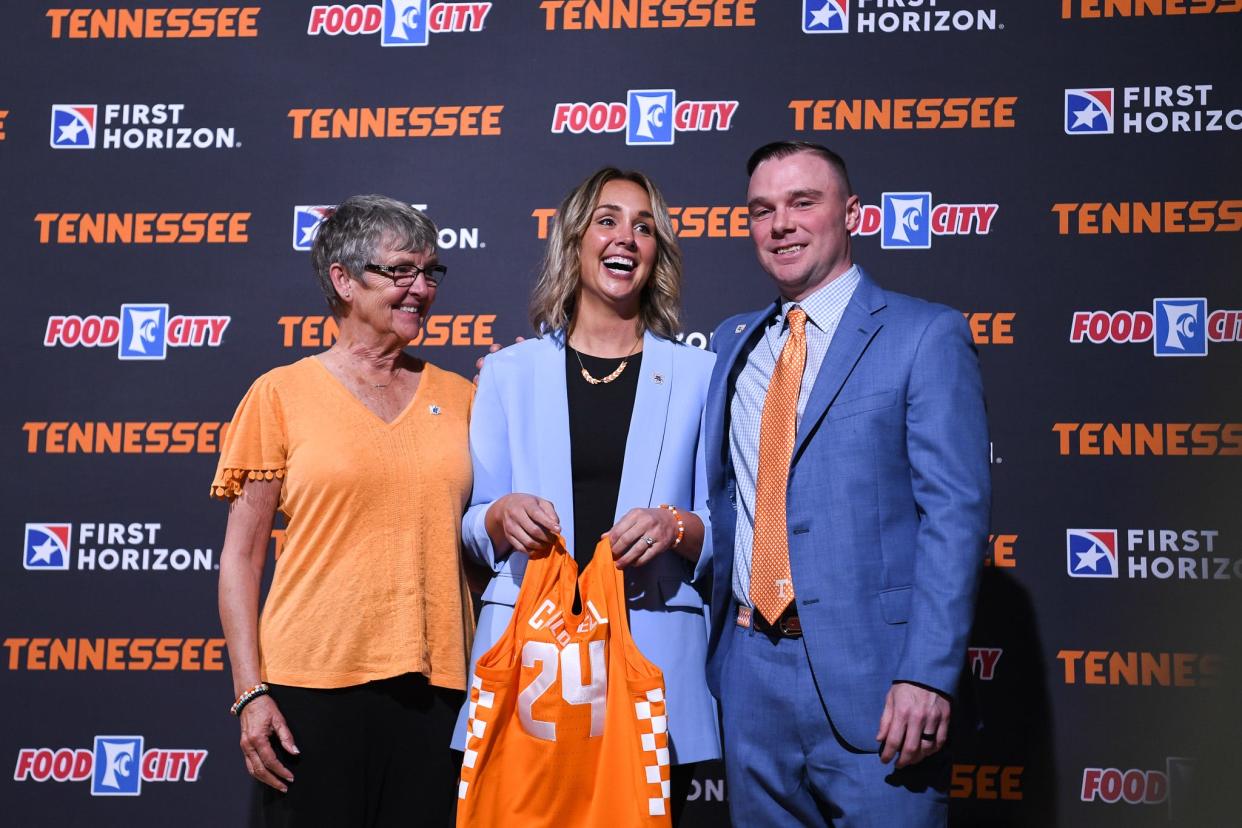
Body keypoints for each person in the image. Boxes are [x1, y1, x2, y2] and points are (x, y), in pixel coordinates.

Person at [703, 141, 991, 826]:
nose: (782, 224)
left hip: (878, 679)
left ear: (852, 212)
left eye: (804, 202)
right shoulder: (729, 344)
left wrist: (926, 671)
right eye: (762, 210)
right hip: (749, 673)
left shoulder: (925, 335)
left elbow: (954, 516)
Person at [453, 167, 720, 822]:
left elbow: (722, 527)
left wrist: (675, 527)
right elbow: (470, 525)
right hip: (533, 672)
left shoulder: (701, 374)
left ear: (656, 253)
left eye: (644, 225)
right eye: (607, 219)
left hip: (651, 659)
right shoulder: (510, 373)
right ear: (574, 240)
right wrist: (498, 516)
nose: (625, 236)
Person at [213, 195, 474, 827]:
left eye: (430, 272)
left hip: (438, 693)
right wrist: (251, 692)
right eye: (400, 272)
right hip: (310, 694)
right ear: (343, 280)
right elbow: (241, 561)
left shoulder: (466, 397)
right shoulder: (280, 395)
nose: (420, 289)